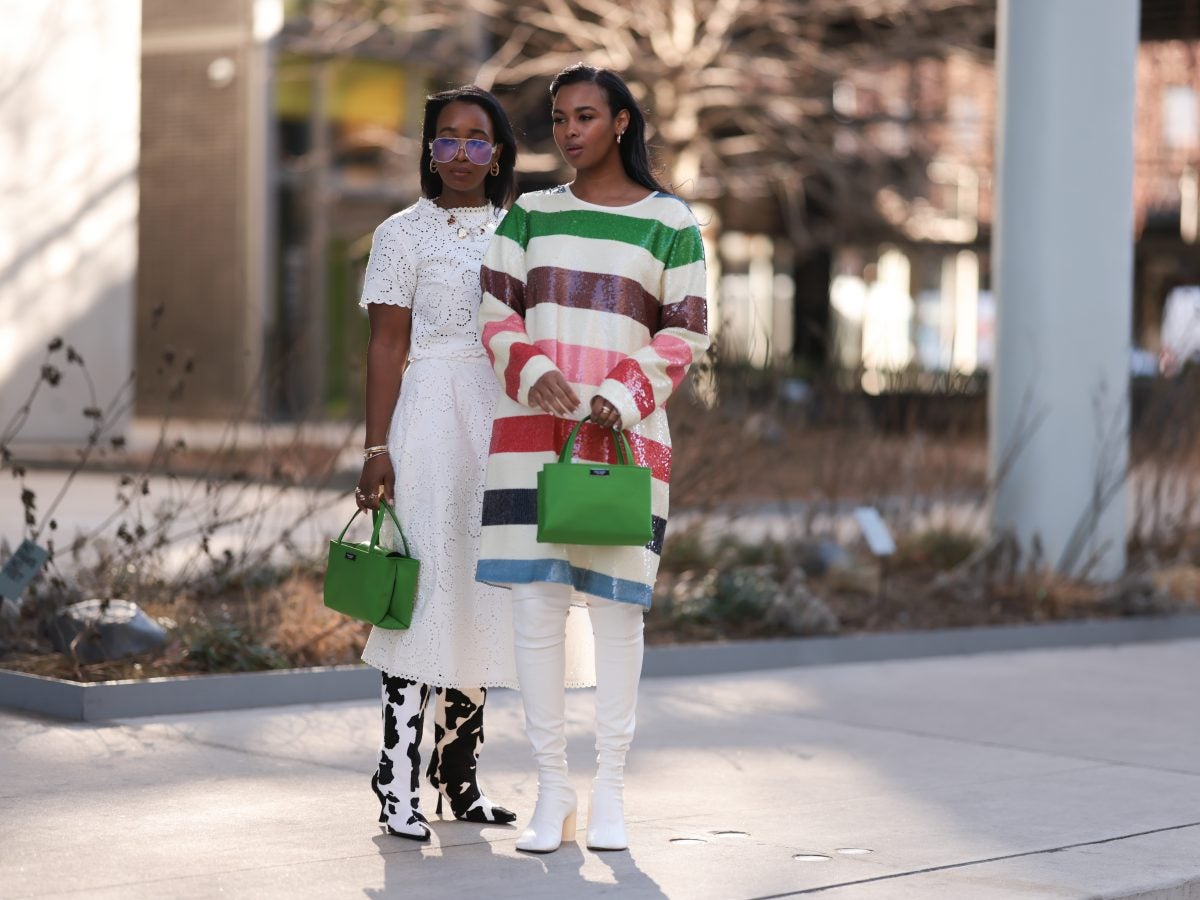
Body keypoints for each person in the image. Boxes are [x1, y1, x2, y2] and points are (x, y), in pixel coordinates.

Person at [475, 63, 710, 853]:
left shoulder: (670, 222)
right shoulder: (531, 214)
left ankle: (610, 791)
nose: (569, 130)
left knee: (617, 614)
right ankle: (552, 793)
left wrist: (625, 390)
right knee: (536, 613)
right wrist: (533, 370)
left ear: (620, 122)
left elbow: (686, 328)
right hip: (530, 433)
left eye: (584, 116)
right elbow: (494, 310)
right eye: (558, 118)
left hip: (624, 438)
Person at [354, 85, 520, 842]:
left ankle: (460, 777)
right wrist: (376, 448)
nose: (461, 152)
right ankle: (395, 779)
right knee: (421, 596)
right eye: (447, 137)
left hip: (502, 422)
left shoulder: (521, 232)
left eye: (476, 139)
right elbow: (386, 345)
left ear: (498, 153)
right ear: (429, 149)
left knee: (483, 593)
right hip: (426, 419)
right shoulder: (401, 234)